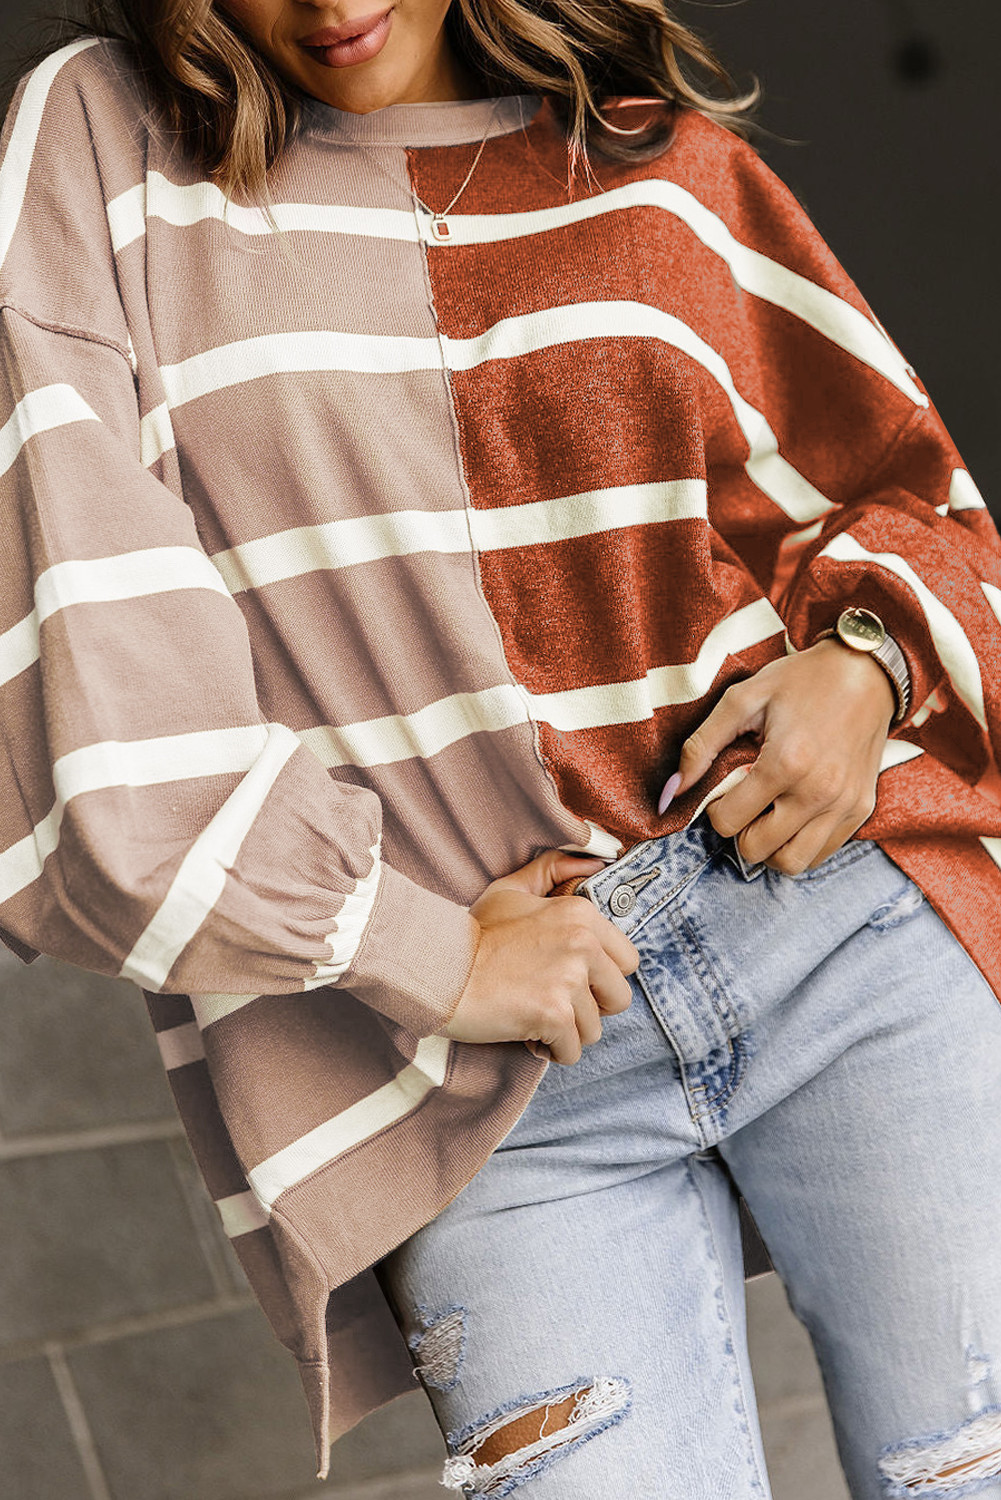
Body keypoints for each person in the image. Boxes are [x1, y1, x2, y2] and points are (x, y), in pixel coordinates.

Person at [2, 1, 1001, 1494]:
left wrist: (862, 668)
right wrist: (424, 950)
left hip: (839, 928)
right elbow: (93, 712)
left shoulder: (661, 161)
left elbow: (917, 502)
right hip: (469, 1068)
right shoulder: (105, 142)